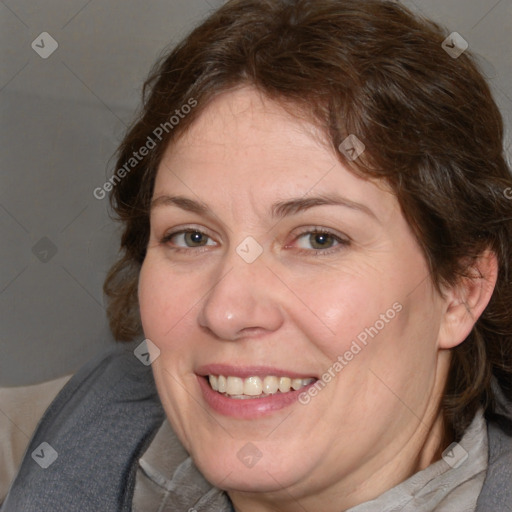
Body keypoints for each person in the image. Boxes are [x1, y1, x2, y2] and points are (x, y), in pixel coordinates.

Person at [3, 0, 511, 510]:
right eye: (192, 237)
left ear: (461, 291)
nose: (227, 311)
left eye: (318, 239)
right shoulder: (63, 432)